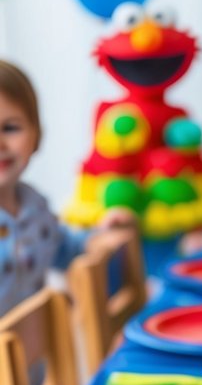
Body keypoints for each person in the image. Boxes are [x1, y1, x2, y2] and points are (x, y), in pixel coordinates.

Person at [0, 61, 134, 318]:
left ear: (36, 135)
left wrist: (99, 235)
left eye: (10, 128)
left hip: (33, 353)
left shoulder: (35, 206)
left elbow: (61, 247)